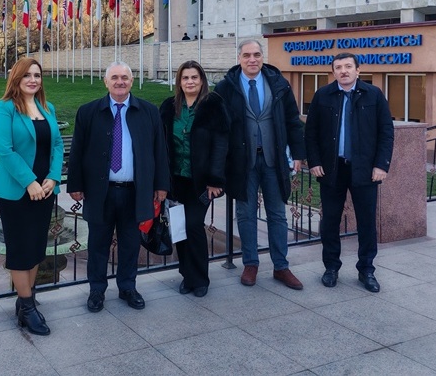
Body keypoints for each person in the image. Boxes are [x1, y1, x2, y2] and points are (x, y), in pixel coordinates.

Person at [68, 62, 169, 312]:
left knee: (130, 243)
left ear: (132, 81)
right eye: (114, 77)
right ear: (106, 82)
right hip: (100, 192)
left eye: (124, 77)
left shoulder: (148, 111)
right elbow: (77, 150)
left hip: (135, 191)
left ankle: (127, 287)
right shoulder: (88, 112)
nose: (120, 82)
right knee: (98, 243)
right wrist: (75, 184)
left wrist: (161, 185)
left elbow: (160, 150)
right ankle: (96, 290)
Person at [214, 39, 306, 290]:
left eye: (256, 54)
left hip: (273, 160)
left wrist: (298, 154)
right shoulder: (225, 87)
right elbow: (218, 128)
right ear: (239, 58)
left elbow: (292, 120)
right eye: (246, 55)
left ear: (262, 57)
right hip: (242, 162)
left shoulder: (278, 83)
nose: (252, 59)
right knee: (245, 214)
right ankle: (250, 264)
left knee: (277, 214)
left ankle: (281, 266)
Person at [0, 57, 64, 336]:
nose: (33, 80)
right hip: (17, 191)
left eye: (37, 75)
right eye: (27, 75)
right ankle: (28, 309)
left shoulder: (47, 108)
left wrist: (53, 177)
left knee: (36, 247)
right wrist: (29, 182)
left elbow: (57, 144)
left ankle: (25, 299)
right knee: (20, 249)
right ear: (16, 78)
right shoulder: (5, 108)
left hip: (45, 190)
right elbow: (4, 150)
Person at [304, 52, 394, 293]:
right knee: (330, 222)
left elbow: (386, 132)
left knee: (367, 222)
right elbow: (311, 132)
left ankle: (366, 270)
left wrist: (381, 165)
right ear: (333, 72)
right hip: (331, 169)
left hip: (365, 170)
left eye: (348, 66)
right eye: (338, 67)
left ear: (358, 70)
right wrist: (314, 161)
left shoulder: (373, 95)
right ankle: (331, 268)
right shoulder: (323, 95)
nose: (343, 71)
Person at [160, 61, 229, 297]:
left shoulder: (213, 104)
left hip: (201, 182)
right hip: (175, 181)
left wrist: (215, 180)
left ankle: (200, 279)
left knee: (193, 226)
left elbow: (221, 144)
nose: (190, 82)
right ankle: (186, 275)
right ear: (179, 82)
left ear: (202, 80)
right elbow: (160, 143)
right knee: (179, 228)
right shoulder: (169, 107)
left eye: (194, 77)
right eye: (185, 78)